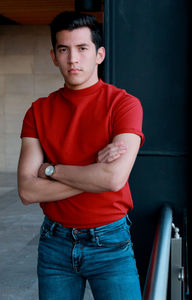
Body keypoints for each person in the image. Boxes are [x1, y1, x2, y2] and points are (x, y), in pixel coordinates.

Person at [17, 11, 144, 300]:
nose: (73, 58)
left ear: (99, 54)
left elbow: (112, 179)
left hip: (111, 243)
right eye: (64, 50)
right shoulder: (38, 111)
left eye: (82, 49)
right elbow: (26, 190)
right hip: (55, 244)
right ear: (54, 56)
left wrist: (50, 170)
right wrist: (93, 173)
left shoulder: (124, 105)